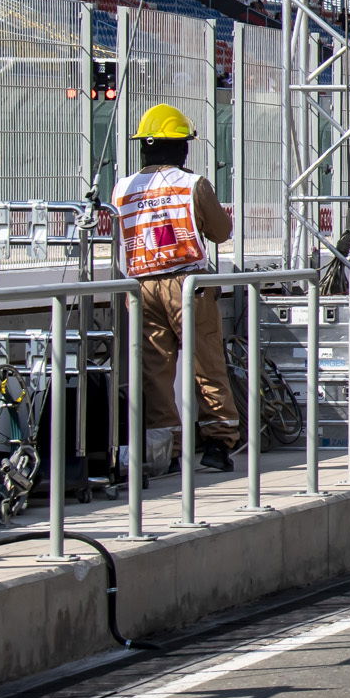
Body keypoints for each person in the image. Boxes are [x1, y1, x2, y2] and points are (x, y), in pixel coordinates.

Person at [114, 103, 245, 472]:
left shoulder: (122, 187)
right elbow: (221, 232)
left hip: (138, 288)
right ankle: (218, 445)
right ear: (183, 147)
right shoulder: (193, 184)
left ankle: (164, 452)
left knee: (155, 371)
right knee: (207, 363)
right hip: (187, 285)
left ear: (144, 147)